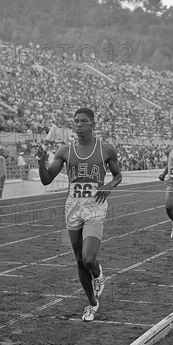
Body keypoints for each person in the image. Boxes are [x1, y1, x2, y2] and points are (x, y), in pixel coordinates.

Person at [36, 107, 122, 322]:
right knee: (78, 260)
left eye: (83, 121)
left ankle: (98, 274)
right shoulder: (66, 150)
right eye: (76, 121)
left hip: (95, 206)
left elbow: (118, 175)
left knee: (88, 257)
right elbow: (47, 179)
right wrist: (39, 161)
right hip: (73, 207)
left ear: (93, 124)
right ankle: (92, 304)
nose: (78, 125)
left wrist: (109, 185)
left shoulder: (106, 149)